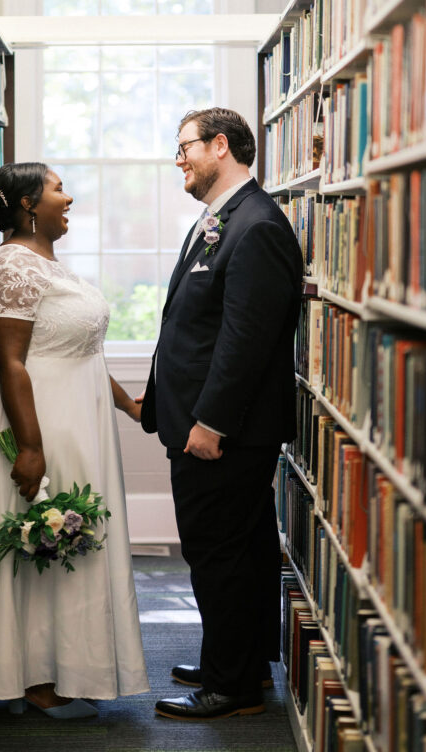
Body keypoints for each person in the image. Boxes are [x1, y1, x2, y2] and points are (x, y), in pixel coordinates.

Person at [139, 108, 303, 721]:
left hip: (224, 431)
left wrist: (211, 423)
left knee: (218, 554)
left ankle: (230, 686)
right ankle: (240, 662)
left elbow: (245, 339)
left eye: (185, 147)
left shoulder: (255, 225)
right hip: (204, 422)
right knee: (245, 548)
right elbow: (193, 324)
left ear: (220, 146)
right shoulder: (223, 219)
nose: (177, 158)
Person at [0, 161, 149, 719]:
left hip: (75, 421)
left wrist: (128, 405)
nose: (67, 199)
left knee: (73, 541)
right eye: (56, 189)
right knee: (43, 545)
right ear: (28, 205)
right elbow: (11, 363)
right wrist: (30, 447)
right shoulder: (11, 267)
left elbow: (80, 348)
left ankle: (72, 667)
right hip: (36, 422)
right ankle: (37, 680)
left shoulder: (45, 263)